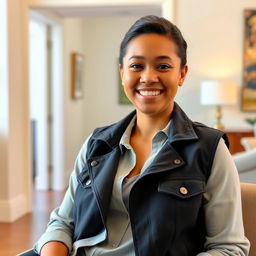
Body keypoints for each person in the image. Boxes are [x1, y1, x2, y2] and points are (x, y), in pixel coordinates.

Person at [30, 15, 249, 256]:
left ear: (182, 74)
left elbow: (229, 248)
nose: (148, 77)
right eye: (136, 66)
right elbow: (63, 223)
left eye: (163, 66)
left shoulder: (210, 149)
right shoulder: (96, 143)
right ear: (122, 73)